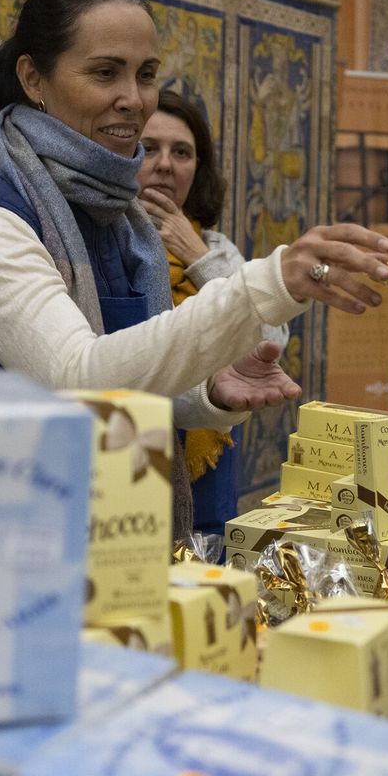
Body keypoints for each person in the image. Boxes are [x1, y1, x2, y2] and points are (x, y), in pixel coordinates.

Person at [0, 0, 388, 537]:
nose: (134, 100)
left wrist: (208, 393)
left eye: (145, 75)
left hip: (106, 540)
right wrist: (266, 282)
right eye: (104, 72)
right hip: (2, 540)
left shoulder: (120, 219)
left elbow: (128, 376)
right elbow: (78, 378)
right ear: (33, 77)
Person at [137, 89, 289, 536]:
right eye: (149, 149)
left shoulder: (218, 249)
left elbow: (270, 339)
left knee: (205, 556)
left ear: (196, 169)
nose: (165, 164)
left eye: (181, 152)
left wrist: (197, 255)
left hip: (210, 436)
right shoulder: (105, 246)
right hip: (133, 443)